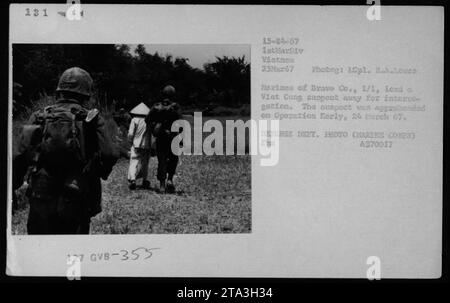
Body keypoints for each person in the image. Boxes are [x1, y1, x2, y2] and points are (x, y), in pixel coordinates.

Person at [12, 67, 119, 234]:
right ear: (85, 94)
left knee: (39, 249)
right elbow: (110, 154)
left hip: (41, 194)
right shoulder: (91, 118)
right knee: (72, 254)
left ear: (60, 91)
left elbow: (19, 154)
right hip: (76, 196)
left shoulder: (40, 116)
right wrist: (95, 171)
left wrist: (14, 185)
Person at [147, 85, 182, 193]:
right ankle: (170, 179)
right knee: (173, 158)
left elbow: (147, 119)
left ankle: (162, 185)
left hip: (161, 136)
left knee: (161, 160)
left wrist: (155, 129)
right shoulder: (175, 107)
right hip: (172, 135)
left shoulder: (156, 106)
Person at [127, 102, 151, 190]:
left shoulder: (134, 120)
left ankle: (133, 180)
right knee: (145, 163)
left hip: (136, 144)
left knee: (134, 162)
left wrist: (130, 141)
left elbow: (130, 133)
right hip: (146, 145)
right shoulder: (149, 121)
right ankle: (144, 180)